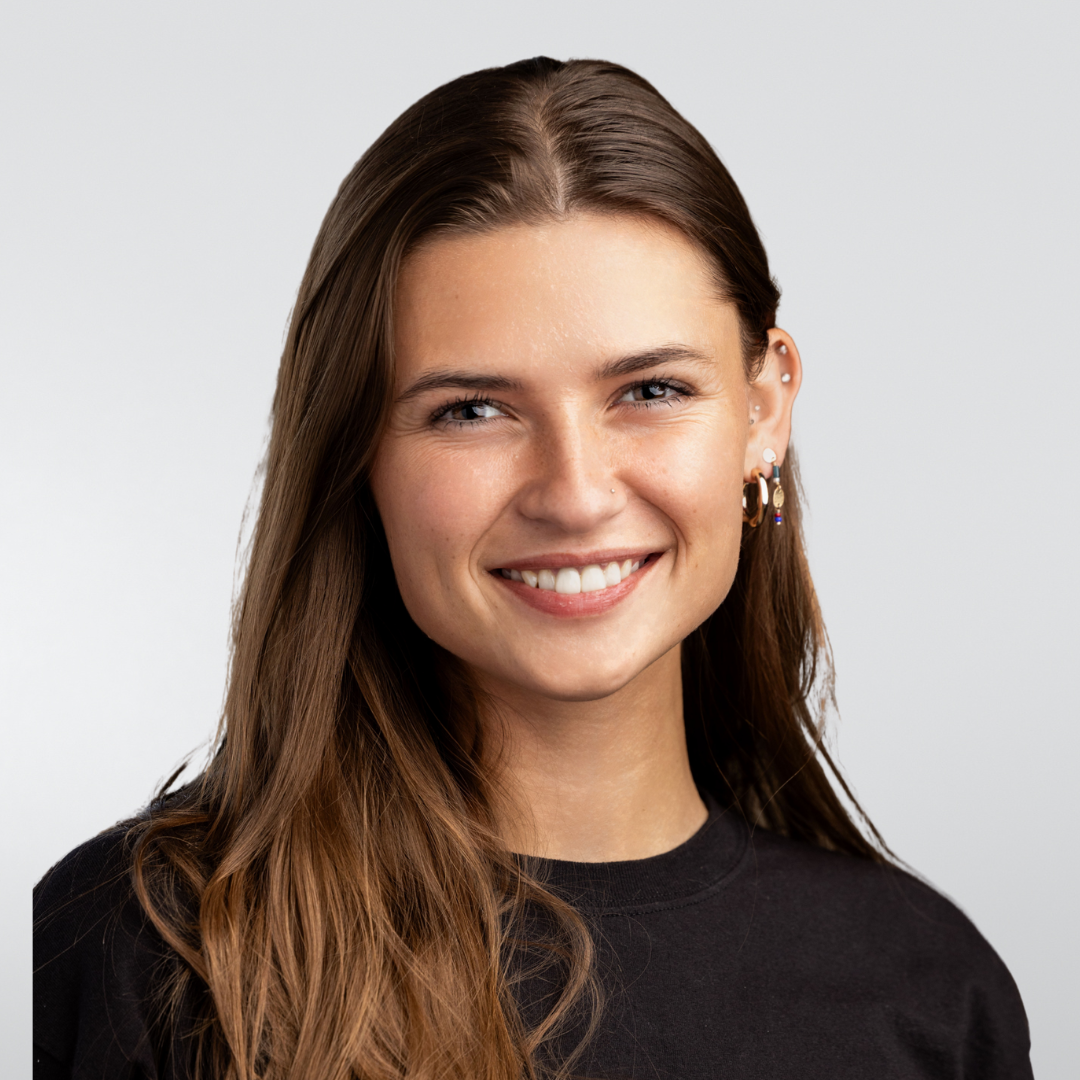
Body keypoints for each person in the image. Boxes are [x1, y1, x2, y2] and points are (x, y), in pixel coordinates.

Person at [33, 56, 1032, 1080]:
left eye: (648, 390)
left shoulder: (929, 993)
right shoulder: (129, 949)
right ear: (355, 452)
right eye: (472, 411)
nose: (575, 492)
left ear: (764, 407)